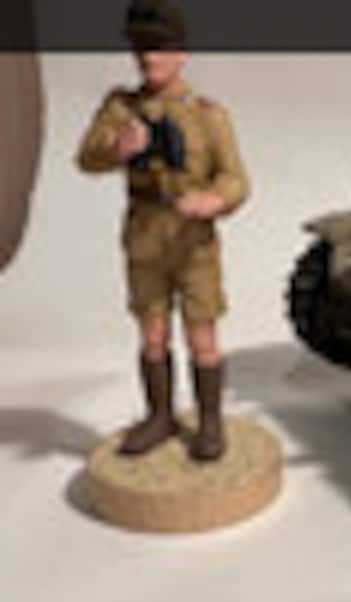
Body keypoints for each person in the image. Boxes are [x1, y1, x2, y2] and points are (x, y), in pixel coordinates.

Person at [76, 0, 249, 461]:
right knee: (152, 335)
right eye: (141, 48)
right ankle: (159, 416)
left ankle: (210, 422)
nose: (148, 58)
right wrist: (117, 148)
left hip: (193, 243)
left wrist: (213, 200)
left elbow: (236, 179)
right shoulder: (122, 108)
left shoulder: (207, 114)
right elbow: (86, 157)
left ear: (181, 53)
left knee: (202, 337)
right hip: (145, 237)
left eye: (159, 48)